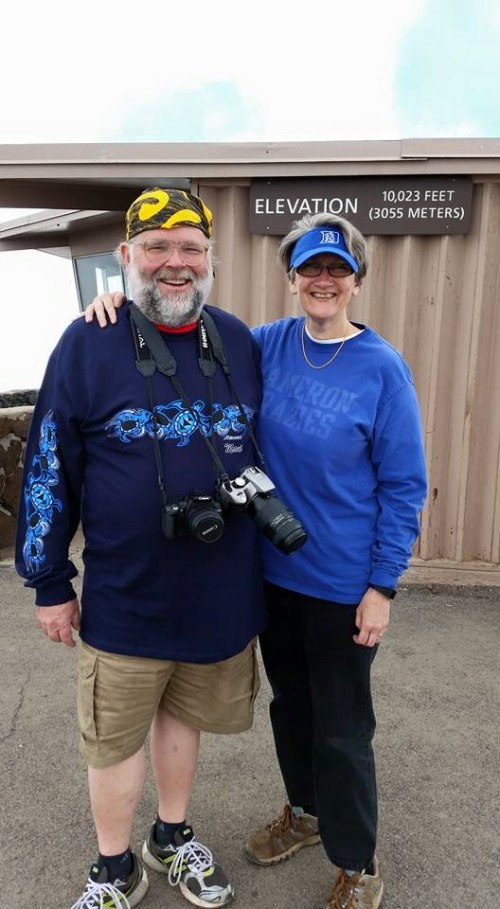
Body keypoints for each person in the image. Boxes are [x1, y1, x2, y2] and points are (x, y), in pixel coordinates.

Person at [85, 211, 428, 909]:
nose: (323, 280)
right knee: (291, 707)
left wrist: (382, 585)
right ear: (293, 278)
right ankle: (304, 813)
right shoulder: (265, 344)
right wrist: (115, 302)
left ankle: (358, 863)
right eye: (311, 268)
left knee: (341, 725)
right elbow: (179, 316)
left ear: (357, 279)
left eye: (337, 269)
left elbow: (403, 485)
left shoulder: (383, 369)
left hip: (342, 584)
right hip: (273, 575)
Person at [16, 187, 270, 909]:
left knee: (183, 720)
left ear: (210, 260)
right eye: (157, 247)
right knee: (115, 738)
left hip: (217, 587)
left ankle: (171, 833)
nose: (175, 262)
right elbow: (46, 463)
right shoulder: (88, 341)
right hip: (126, 593)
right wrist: (49, 579)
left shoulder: (239, 340)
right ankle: (112, 865)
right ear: (126, 257)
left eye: (191, 248)